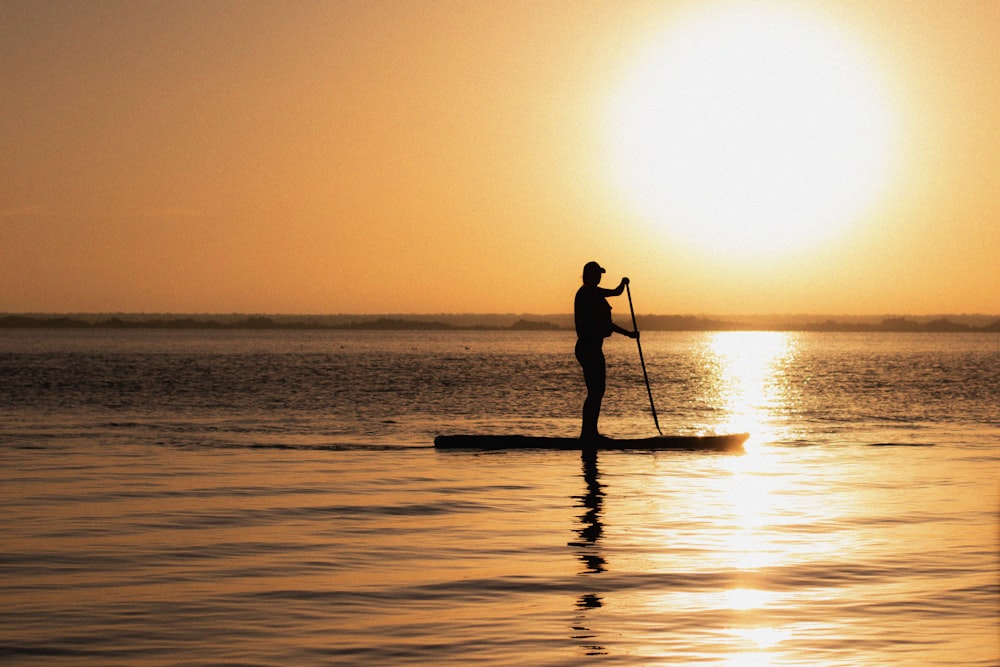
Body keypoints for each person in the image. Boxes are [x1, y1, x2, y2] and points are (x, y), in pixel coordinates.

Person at [574, 261, 638, 441]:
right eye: (597, 274)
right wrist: (623, 283)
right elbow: (616, 292)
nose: (599, 277)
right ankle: (588, 434)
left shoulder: (594, 295)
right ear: (589, 276)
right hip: (588, 348)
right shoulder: (588, 292)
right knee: (595, 391)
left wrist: (628, 334)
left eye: (600, 274)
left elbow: (606, 324)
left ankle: (589, 432)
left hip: (593, 348)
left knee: (597, 391)